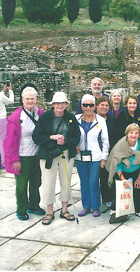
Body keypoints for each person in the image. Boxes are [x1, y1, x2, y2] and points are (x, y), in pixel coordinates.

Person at [32, 92, 81, 225]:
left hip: (65, 153)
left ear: (66, 104)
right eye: (57, 103)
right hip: (48, 154)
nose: (60, 105)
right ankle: (49, 211)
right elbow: (36, 137)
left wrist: (65, 141)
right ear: (53, 104)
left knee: (66, 182)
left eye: (63, 103)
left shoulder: (70, 117)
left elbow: (76, 137)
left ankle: (64, 209)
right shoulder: (45, 117)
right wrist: (51, 137)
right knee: (48, 183)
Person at [4, 86, 45, 220]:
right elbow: (9, 141)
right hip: (22, 156)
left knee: (36, 182)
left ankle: (34, 205)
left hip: (37, 155)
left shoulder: (40, 113)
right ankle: (21, 209)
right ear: (22, 100)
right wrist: (14, 159)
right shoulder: (16, 116)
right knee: (21, 185)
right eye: (27, 99)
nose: (30, 101)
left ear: (36, 99)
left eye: (32, 99)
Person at [75, 94, 110, 217]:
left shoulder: (100, 120)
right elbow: (72, 135)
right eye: (85, 105)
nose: (88, 107)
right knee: (83, 181)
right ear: (82, 106)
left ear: (94, 106)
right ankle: (86, 206)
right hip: (80, 157)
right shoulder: (76, 119)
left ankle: (95, 206)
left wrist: (103, 158)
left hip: (95, 156)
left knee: (93, 181)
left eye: (90, 105)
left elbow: (105, 140)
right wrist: (74, 145)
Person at [106, 123, 140, 218]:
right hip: (123, 171)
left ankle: (139, 209)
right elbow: (116, 162)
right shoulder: (121, 144)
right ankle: (115, 208)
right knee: (120, 189)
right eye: (131, 132)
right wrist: (123, 179)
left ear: (139, 134)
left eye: (136, 133)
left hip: (137, 170)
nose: (133, 135)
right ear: (127, 133)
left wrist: (139, 178)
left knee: (138, 187)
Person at [95, 96, 117, 207]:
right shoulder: (91, 118)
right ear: (96, 106)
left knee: (106, 176)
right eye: (102, 105)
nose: (104, 107)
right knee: (94, 178)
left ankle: (107, 197)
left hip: (109, 152)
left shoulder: (112, 120)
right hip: (94, 151)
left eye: (107, 105)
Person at [0, 81, 14, 168]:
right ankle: (4, 163)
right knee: (2, 141)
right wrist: (10, 91)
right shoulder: (0, 96)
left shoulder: (1, 95)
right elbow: (11, 101)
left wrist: (3, 91)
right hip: (1, 119)